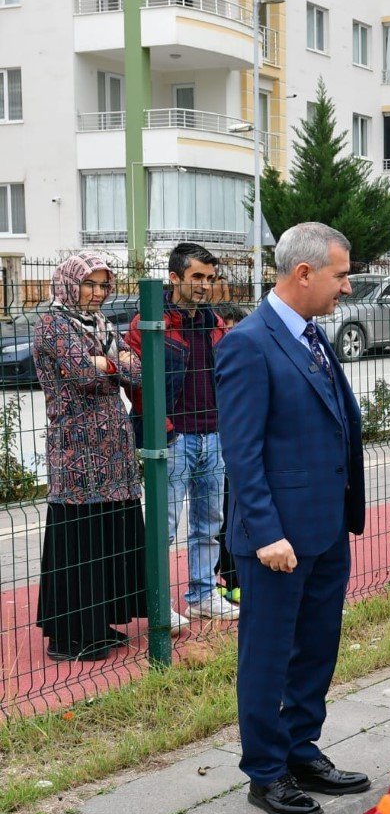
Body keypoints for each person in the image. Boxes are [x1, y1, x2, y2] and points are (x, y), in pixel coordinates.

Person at [214, 222, 368, 814]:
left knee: (317, 646)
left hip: (325, 528)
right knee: (268, 654)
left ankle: (301, 748)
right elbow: (242, 453)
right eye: (340, 274)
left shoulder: (312, 336)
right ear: (303, 273)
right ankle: (266, 770)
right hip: (277, 537)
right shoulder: (249, 344)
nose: (347, 288)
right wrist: (267, 532)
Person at [34, 253, 146, 661]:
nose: (98, 293)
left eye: (103, 285)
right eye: (90, 284)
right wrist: (108, 363)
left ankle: (99, 625)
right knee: (78, 540)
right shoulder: (51, 324)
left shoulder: (100, 324)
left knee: (107, 539)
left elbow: (138, 370)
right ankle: (70, 635)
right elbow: (83, 374)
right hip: (76, 454)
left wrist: (106, 363)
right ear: (70, 283)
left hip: (114, 453)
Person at [125, 243, 234, 632]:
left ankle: (202, 595)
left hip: (213, 436)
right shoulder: (148, 324)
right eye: (197, 277)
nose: (205, 285)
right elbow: (137, 385)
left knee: (209, 521)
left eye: (210, 277)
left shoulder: (214, 323)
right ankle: (156, 604)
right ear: (175, 278)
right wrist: (165, 431)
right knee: (163, 525)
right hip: (174, 440)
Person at [213, 303, 248, 604]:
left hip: (240, 448)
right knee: (220, 516)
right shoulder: (215, 362)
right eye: (227, 329)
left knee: (238, 513)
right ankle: (223, 578)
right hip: (218, 444)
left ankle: (235, 577)